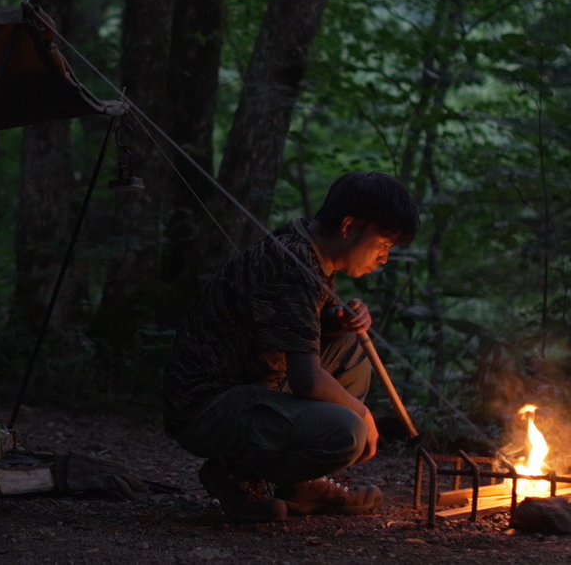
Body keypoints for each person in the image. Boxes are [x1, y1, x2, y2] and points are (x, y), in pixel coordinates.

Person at [162, 171, 420, 522]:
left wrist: (336, 322)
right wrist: (364, 414)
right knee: (348, 431)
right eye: (383, 245)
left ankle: (301, 484)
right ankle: (234, 474)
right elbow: (307, 381)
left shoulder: (309, 250)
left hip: (250, 383)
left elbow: (285, 332)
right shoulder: (293, 264)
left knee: (350, 350)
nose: (384, 258)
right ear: (349, 226)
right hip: (207, 406)